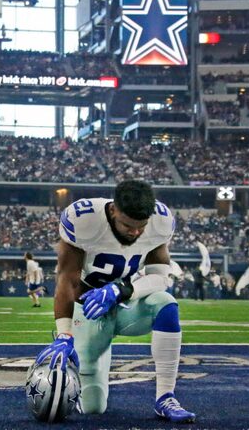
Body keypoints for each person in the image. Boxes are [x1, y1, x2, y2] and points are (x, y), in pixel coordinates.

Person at [36, 180, 195, 423]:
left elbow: (161, 278)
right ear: (113, 210)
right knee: (93, 407)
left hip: (125, 304)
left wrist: (121, 290)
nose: (135, 233)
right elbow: (67, 280)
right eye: (128, 225)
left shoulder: (159, 221)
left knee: (166, 304)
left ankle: (165, 397)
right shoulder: (84, 219)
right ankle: (86, 360)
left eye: (141, 227)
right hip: (89, 310)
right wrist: (63, 334)